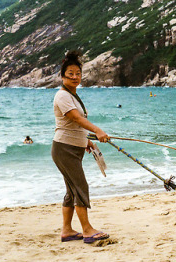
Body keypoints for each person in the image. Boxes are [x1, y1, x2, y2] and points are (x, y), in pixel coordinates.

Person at [51, 50, 110, 243]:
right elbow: (75, 118)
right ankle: (87, 229)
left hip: (72, 147)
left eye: (78, 73)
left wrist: (86, 140)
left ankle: (67, 230)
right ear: (62, 76)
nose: (75, 77)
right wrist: (98, 130)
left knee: (71, 190)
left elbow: (73, 124)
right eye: (70, 74)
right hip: (64, 148)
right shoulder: (62, 96)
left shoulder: (72, 95)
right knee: (80, 186)